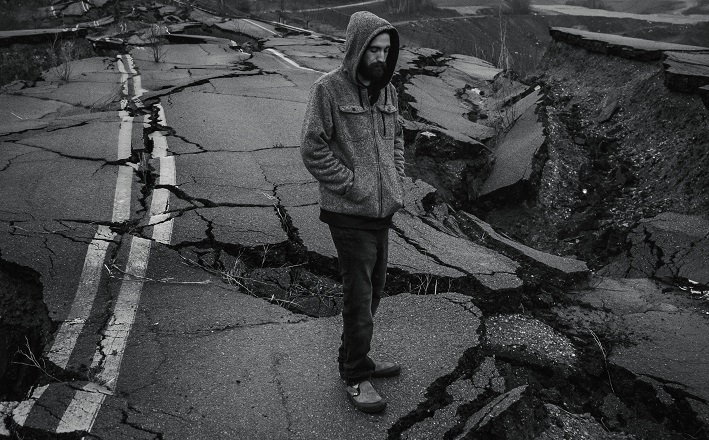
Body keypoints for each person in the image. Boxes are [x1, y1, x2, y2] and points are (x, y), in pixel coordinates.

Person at [300, 11, 406, 414]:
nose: (380, 57)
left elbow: (397, 140)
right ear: (356, 49)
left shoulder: (388, 91)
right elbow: (313, 147)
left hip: (382, 211)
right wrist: (353, 185)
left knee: (375, 290)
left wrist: (396, 181)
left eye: (386, 50)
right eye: (373, 50)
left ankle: (355, 359)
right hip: (348, 213)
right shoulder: (328, 90)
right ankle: (356, 377)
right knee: (359, 297)